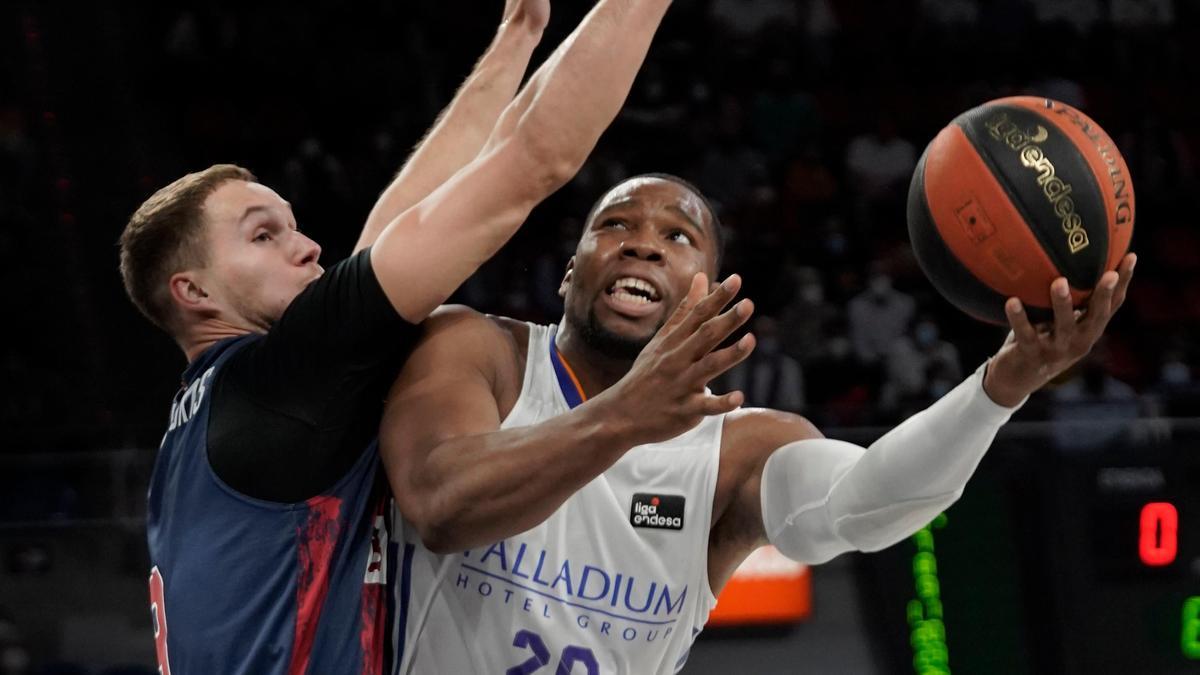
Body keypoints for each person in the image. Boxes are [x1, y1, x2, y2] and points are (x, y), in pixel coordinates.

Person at [118, 0, 684, 670]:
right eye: (263, 235)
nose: (306, 247)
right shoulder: (284, 379)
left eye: (293, 225)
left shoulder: (222, 416)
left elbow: (402, 222)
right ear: (195, 292)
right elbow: (533, 164)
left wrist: (517, 38)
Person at [378, 174, 1136, 674]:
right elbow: (444, 507)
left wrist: (995, 389)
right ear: (571, 270)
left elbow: (863, 507)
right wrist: (624, 416)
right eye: (615, 224)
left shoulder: (738, 448)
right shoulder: (480, 350)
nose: (644, 239)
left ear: (710, 291)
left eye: (679, 236)